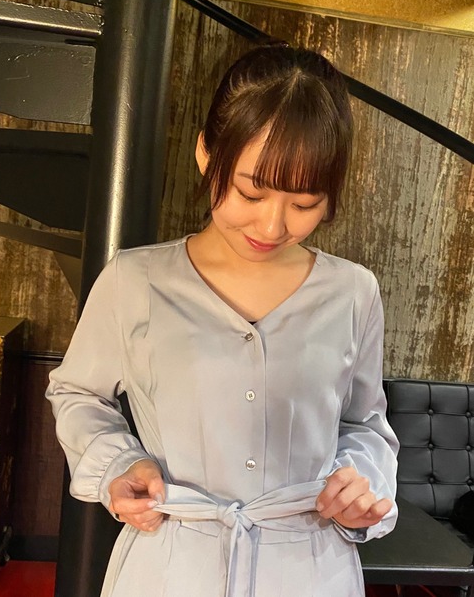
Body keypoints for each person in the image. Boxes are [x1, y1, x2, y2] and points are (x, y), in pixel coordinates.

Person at [46, 44, 399, 597]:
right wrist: (119, 464)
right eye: (250, 192)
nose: (272, 225)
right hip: (170, 564)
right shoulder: (134, 281)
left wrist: (361, 483)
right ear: (206, 154)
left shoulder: (353, 292)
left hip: (308, 568)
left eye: (304, 204)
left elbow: (364, 425)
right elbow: (77, 393)